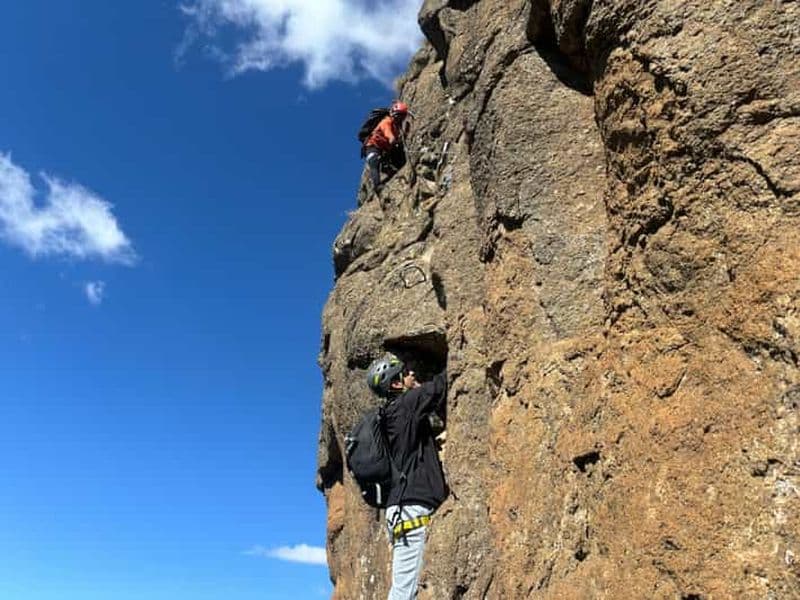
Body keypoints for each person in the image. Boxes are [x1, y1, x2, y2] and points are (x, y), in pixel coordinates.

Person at [365, 353, 448, 600]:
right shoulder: (406, 405)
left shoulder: (389, 416)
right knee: (404, 593)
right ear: (395, 384)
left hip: (403, 508)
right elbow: (442, 385)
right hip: (412, 508)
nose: (412, 375)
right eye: (405, 373)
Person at [363, 101, 411, 195]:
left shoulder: (397, 126)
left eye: (402, 116)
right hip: (373, 146)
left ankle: (390, 166)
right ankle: (378, 186)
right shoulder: (386, 122)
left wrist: (405, 133)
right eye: (399, 116)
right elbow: (391, 138)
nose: (400, 119)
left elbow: (396, 140)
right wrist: (396, 140)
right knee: (374, 161)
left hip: (385, 148)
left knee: (398, 150)